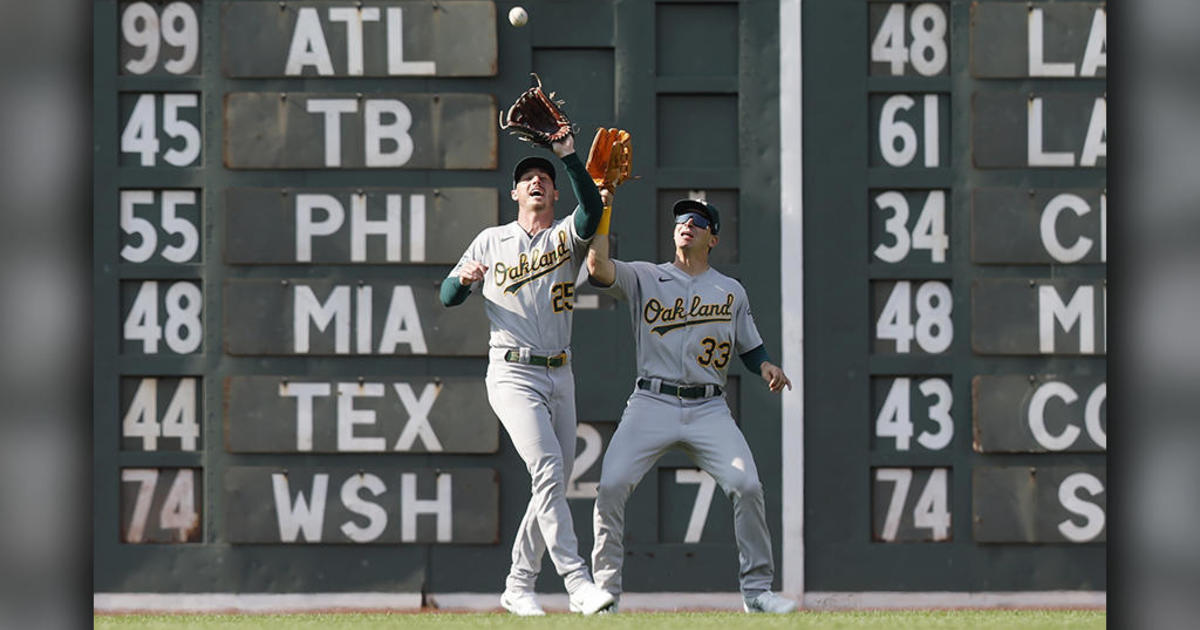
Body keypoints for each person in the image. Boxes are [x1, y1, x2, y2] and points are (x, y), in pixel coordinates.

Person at [585, 193, 798, 614]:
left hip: (708, 408)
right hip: (651, 401)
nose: (687, 224)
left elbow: (750, 347)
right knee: (610, 485)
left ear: (713, 238)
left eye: (699, 221)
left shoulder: (730, 290)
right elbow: (597, 268)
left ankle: (756, 592)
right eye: (682, 219)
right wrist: (605, 209)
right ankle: (604, 592)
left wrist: (767, 366)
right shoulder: (646, 276)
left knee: (747, 486)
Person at [440, 135, 615, 616]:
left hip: (561, 372)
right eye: (526, 179)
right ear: (514, 193)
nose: (535, 182)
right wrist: (462, 280)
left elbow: (593, 207)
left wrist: (568, 155)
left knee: (551, 484)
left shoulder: (566, 234)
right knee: (549, 470)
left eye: (544, 179)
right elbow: (446, 296)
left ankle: (518, 585)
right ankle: (578, 583)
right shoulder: (490, 241)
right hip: (512, 372)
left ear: (556, 194)